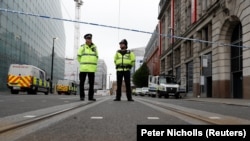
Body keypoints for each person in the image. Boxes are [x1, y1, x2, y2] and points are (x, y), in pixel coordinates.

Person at [77, 33, 98, 101]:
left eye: (90, 39)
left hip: (91, 69)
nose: (89, 40)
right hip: (83, 68)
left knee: (91, 84)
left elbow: (97, 56)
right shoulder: (82, 47)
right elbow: (78, 57)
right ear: (85, 40)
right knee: (82, 83)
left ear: (91, 39)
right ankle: (82, 96)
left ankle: (90, 97)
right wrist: (83, 63)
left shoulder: (94, 47)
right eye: (87, 39)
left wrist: (93, 64)